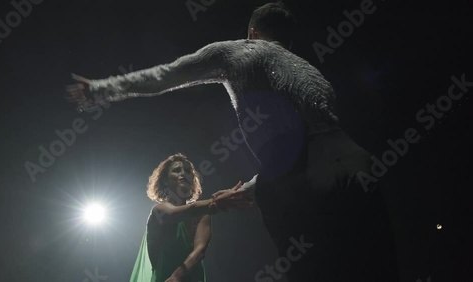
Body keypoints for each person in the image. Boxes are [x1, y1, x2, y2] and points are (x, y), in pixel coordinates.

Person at [67, 3, 399, 281]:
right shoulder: (313, 73)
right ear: (288, 40)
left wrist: (101, 89)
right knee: (377, 267)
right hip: (361, 163)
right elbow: (315, 143)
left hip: (296, 181)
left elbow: (164, 76)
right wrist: (254, 187)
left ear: (252, 33)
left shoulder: (237, 51)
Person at [129, 153, 250, 282]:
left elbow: (200, 250)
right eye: (176, 170)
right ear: (165, 180)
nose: (183, 174)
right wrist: (217, 203)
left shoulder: (203, 214)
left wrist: (177, 276)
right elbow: (179, 212)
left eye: (187, 171)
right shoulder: (159, 211)